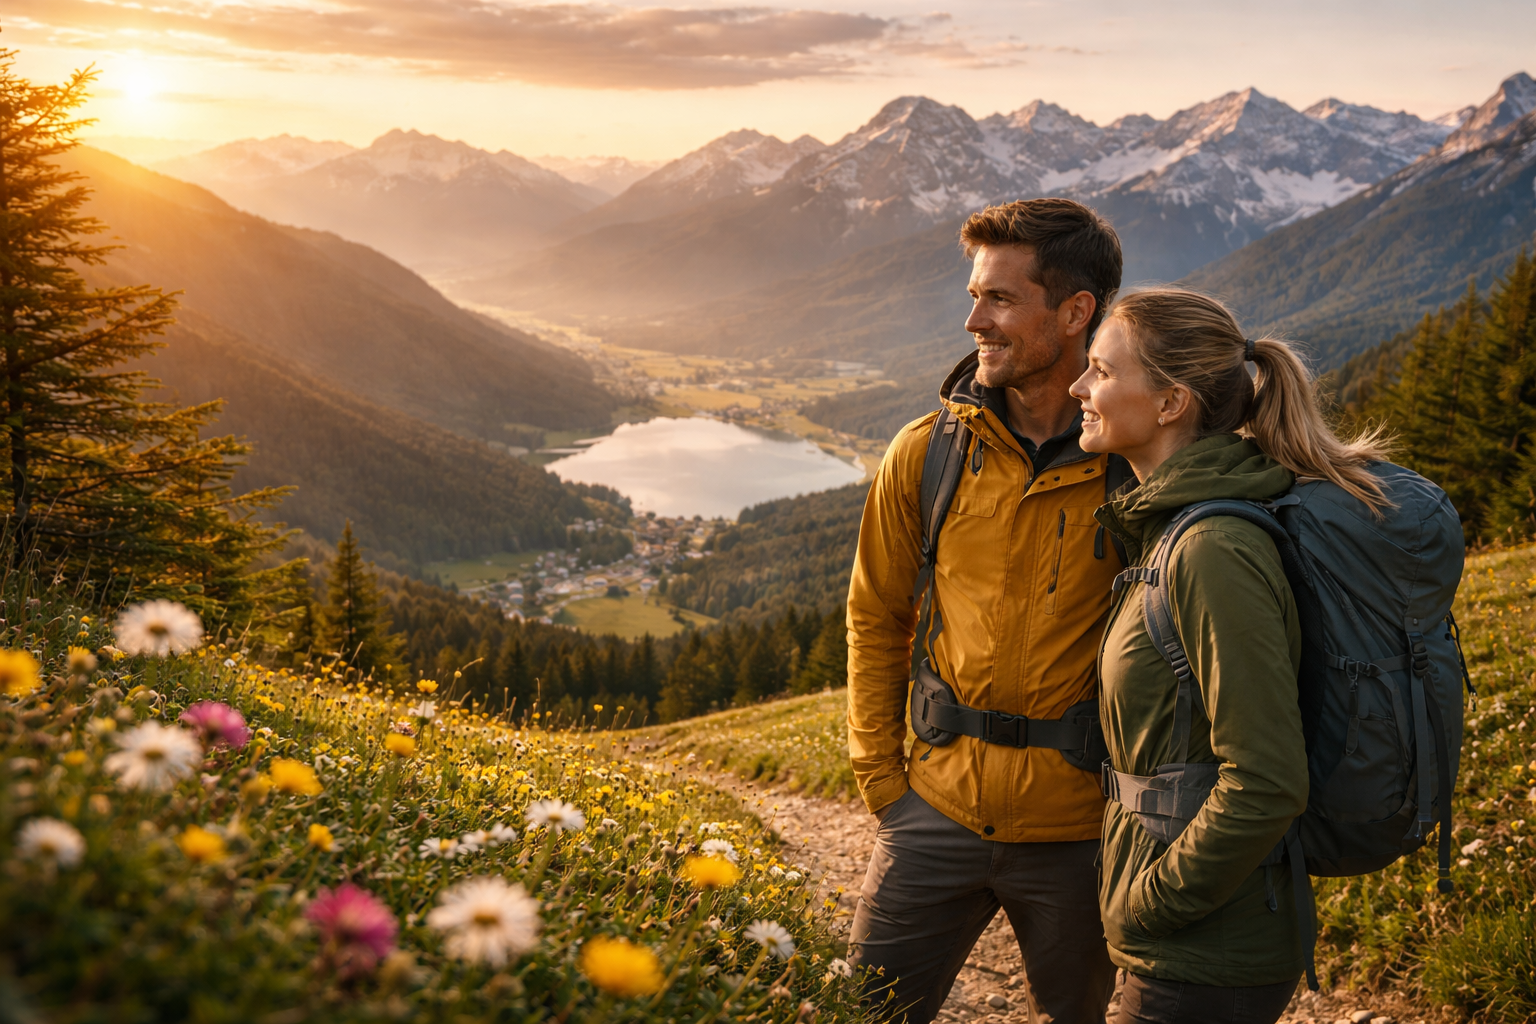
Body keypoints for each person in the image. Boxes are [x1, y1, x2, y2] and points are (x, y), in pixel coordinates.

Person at [1069, 289, 1390, 1024]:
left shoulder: (1213, 549)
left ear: (1170, 403)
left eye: (1100, 371)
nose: (1078, 388)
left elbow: (1268, 780)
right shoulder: (1174, 529)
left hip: (1204, 953)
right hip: (1185, 942)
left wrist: (1150, 904)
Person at [845, 197, 1125, 1024]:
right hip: (932, 812)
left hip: (1084, 831)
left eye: (1000, 299)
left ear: (1075, 313)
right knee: (864, 1014)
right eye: (975, 295)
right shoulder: (928, 451)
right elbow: (875, 616)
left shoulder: (1141, 466)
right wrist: (882, 782)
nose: (975, 320)